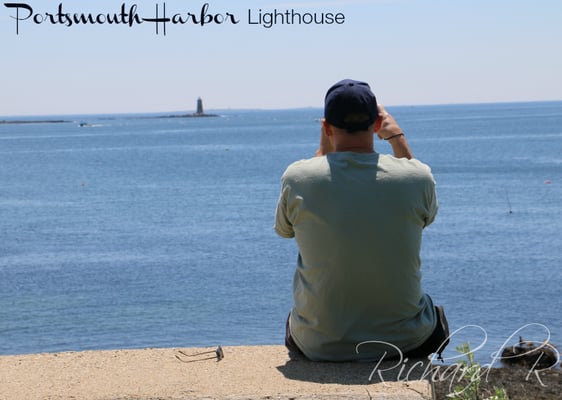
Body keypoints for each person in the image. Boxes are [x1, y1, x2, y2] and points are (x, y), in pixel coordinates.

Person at [274, 79, 449, 362]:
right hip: (405, 342)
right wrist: (397, 139)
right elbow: (423, 217)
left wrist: (323, 149)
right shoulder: (418, 177)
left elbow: (285, 230)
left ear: (327, 127)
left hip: (318, 344)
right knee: (431, 310)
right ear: (378, 123)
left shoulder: (296, 178)